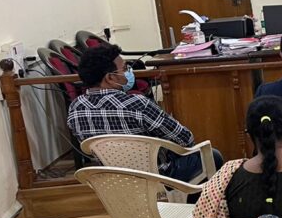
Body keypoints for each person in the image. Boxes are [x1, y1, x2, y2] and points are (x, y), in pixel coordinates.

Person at [68, 43, 223, 183]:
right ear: (110, 77)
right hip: (157, 176)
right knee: (212, 155)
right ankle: (199, 203)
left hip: (114, 179)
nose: (129, 72)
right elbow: (185, 139)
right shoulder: (136, 104)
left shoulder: (75, 109)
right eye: (125, 68)